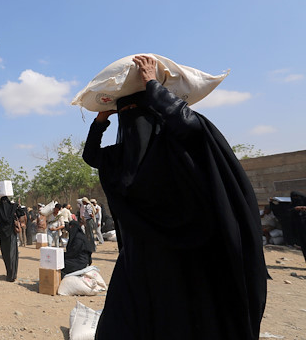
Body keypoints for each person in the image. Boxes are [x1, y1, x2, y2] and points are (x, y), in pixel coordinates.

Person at [82, 55, 267, 339]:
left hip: (173, 265)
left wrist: (110, 114)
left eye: (136, 111)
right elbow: (92, 156)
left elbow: (190, 127)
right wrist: (147, 90)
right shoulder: (141, 153)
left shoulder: (170, 150)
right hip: (153, 264)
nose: (132, 120)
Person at [0, 183, 19, 282]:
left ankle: (8, 274)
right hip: (11, 234)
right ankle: (13, 275)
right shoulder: (12, 206)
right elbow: (19, 209)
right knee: (13, 254)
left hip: (2, 235)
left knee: (6, 255)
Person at [290, 191, 306, 263]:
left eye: (297, 197)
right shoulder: (292, 206)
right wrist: (295, 209)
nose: (296, 199)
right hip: (300, 230)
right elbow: (286, 213)